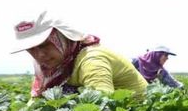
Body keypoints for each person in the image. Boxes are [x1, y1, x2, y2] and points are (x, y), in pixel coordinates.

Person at [11, 11, 147, 96]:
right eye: (31, 49)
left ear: (63, 38)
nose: (39, 55)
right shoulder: (53, 65)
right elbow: (37, 102)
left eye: (45, 45)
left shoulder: (92, 61)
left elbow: (103, 109)